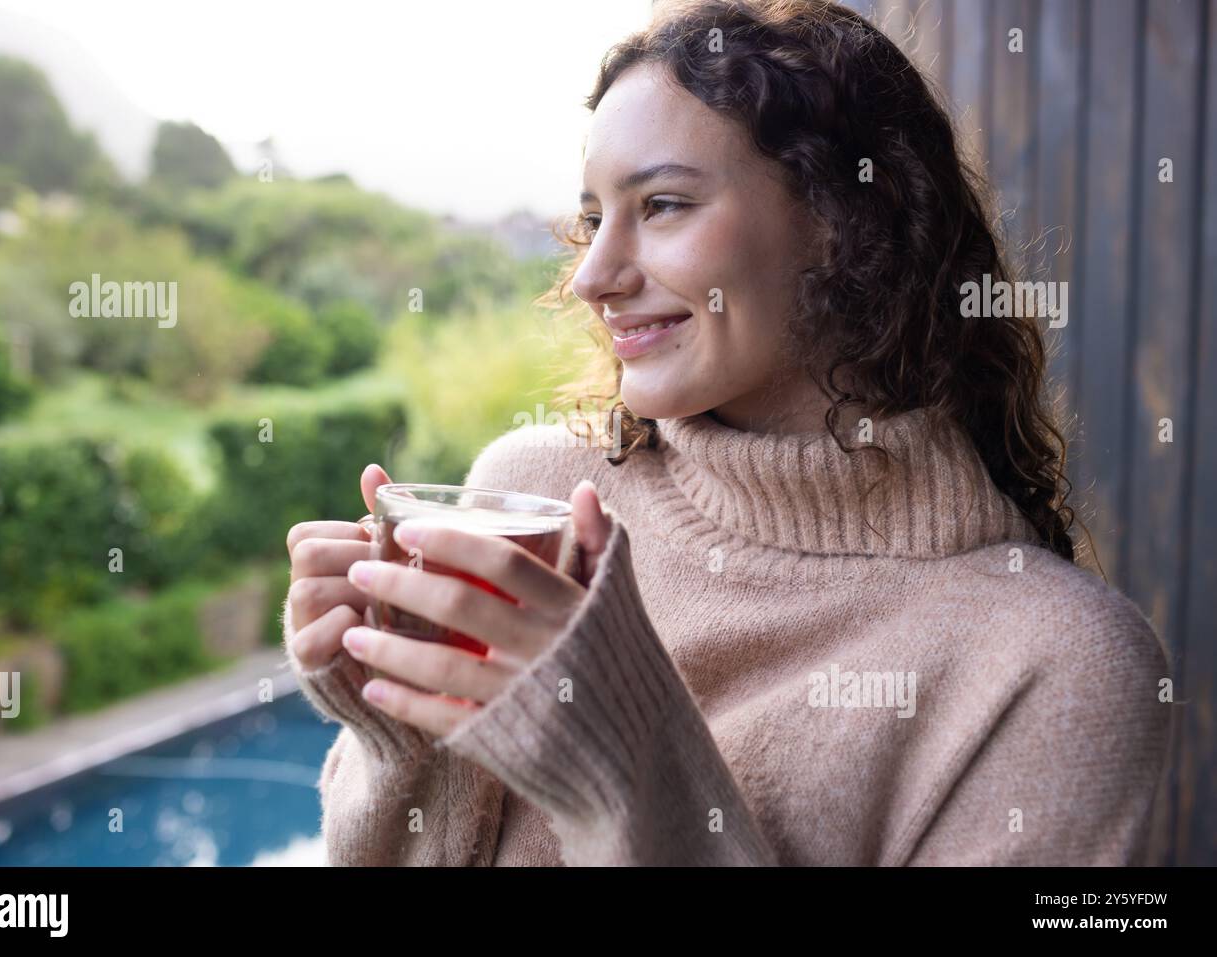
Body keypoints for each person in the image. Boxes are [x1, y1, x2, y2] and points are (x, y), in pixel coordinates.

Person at [282, 0, 1172, 865]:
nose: (593, 275)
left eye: (663, 204)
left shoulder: (1058, 667)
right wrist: (401, 729)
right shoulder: (536, 496)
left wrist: (623, 766)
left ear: (843, 221)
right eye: (593, 219)